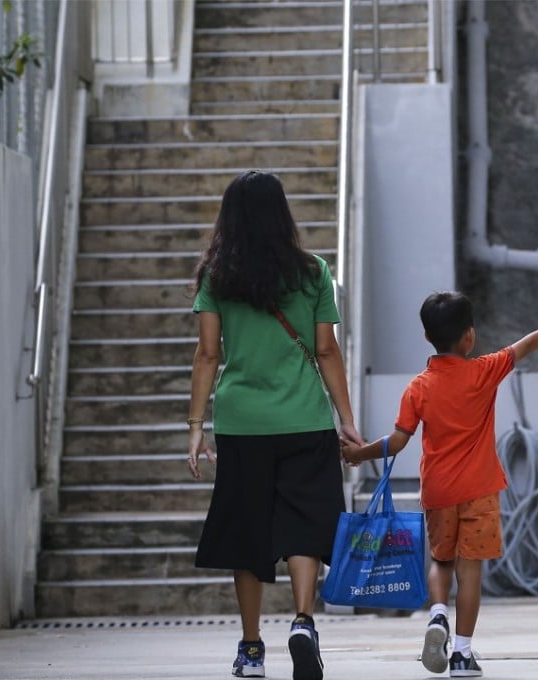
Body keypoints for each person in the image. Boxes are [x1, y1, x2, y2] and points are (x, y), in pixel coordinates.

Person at [340, 292, 538, 677]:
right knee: (471, 573)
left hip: (438, 492)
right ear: (469, 336)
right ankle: (462, 654)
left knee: (442, 562)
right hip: (479, 491)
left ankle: (435, 617)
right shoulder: (485, 370)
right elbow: (530, 341)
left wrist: (359, 453)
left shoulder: (418, 387)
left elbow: (398, 441)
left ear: (427, 337)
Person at [187, 170, 364, 680]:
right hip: (305, 419)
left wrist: (196, 425)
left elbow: (206, 354)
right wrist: (346, 420)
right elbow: (326, 349)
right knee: (305, 524)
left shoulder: (217, 276)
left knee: (248, 531)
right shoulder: (313, 272)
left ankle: (250, 649)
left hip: (242, 423)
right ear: (282, 212)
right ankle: (304, 621)